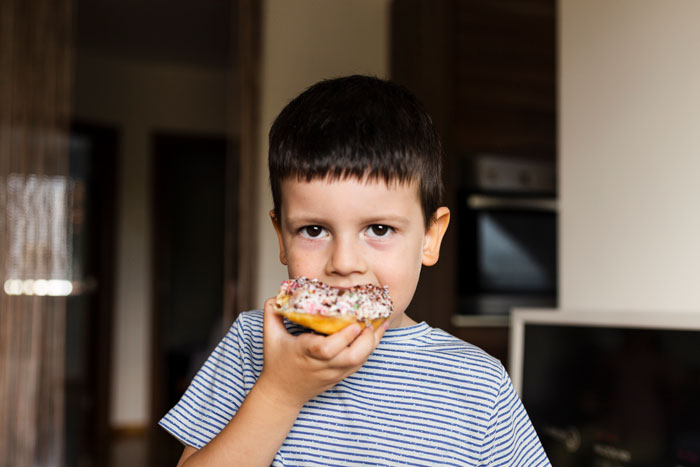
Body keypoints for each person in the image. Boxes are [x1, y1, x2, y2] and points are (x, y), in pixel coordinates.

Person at [160, 75, 550, 466]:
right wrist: (279, 392)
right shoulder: (252, 343)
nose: (344, 263)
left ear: (430, 237)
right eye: (314, 230)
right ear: (282, 237)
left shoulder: (479, 383)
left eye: (379, 229)